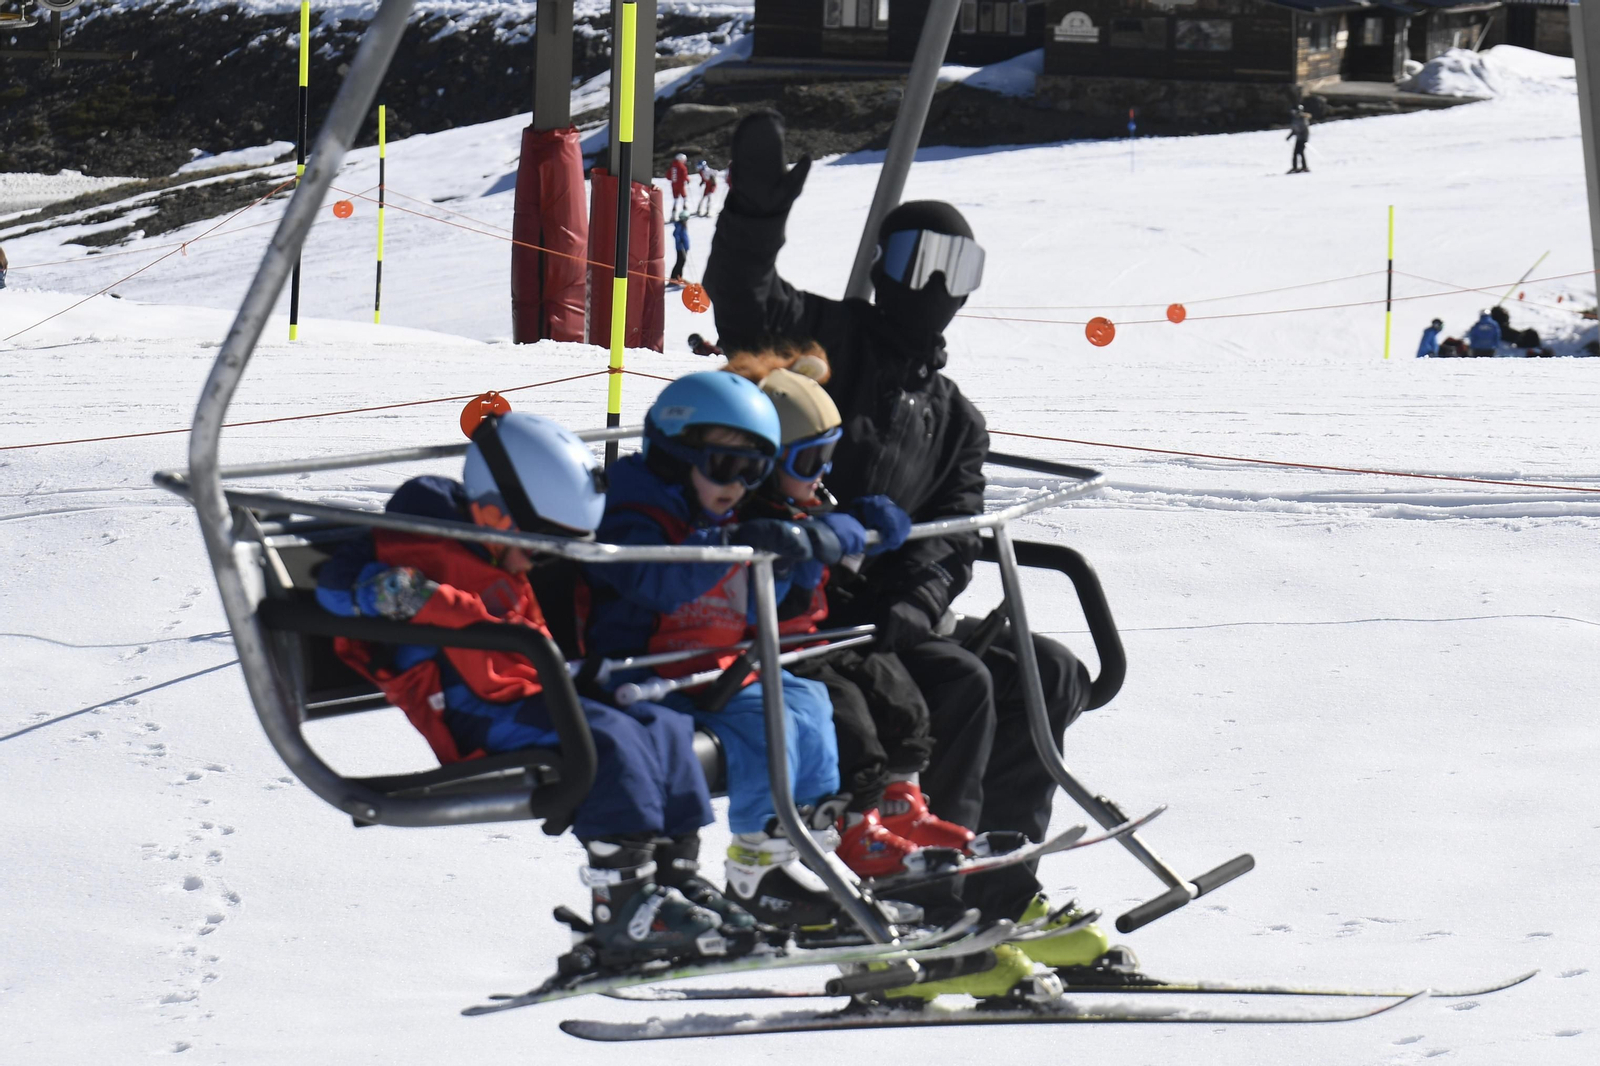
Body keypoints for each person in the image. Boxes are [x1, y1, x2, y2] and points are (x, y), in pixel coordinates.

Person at [703, 111, 1108, 969]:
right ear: (881, 270)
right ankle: (923, 904)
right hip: (804, 615)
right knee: (958, 682)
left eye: (953, 267)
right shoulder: (826, 345)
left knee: (1047, 668)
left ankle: (1001, 890)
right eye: (911, 260)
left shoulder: (958, 419)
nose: (929, 283)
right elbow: (746, 304)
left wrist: (913, 606)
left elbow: (950, 538)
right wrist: (753, 218)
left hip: (887, 621)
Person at [314, 406, 754, 969]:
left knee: (662, 723)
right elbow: (333, 586)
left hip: (529, 691)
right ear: (496, 514)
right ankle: (622, 901)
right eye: (540, 546)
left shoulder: (491, 545)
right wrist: (382, 593)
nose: (539, 562)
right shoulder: (412, 541)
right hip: (475, 715)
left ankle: (674, 875)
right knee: (609, 739)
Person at [581, 370, 851, 931]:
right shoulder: (634, 512)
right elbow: (653, 581)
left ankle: (788, 845)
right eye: (726, 466)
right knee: (675, 741)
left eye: (754, 471)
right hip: (640, 677)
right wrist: (734, 546)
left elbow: (753, 612)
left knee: (804, 705)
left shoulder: (725, 518)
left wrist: (795, 565)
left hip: (710, 673)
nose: (738, 485)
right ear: (675, 457)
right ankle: (675, 877)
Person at [738, 367, 975, 880]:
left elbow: (834, 552)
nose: (820, 474)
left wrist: (863, 523)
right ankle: (852, 829)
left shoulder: (804, 502)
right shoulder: (749, 520)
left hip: (815, 639)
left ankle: (901, 810)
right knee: (848, 717)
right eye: (808, 461)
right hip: (771, 651)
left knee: (898, 696)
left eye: (828, 457)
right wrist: (807, 548)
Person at [1287, 105, 1310, 174]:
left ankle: (1304, 167)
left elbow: (1304, 129)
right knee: (1296, 153)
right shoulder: (1295, 119)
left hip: (1302, 139)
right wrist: (1289, 136)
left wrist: (1302, 136)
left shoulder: (1302, 119)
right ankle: (1295, 167)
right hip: (1299, 139)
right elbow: (1294, 130)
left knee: (1300, 152)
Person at [670, 210, 690, 287]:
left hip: (684, 248)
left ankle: (678, 277)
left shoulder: (683, 225)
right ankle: (674, 277)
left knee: (682, 262)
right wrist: (679, 241)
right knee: (680, 262)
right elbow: (675, 234)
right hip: (680, 248)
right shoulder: (679, 225)